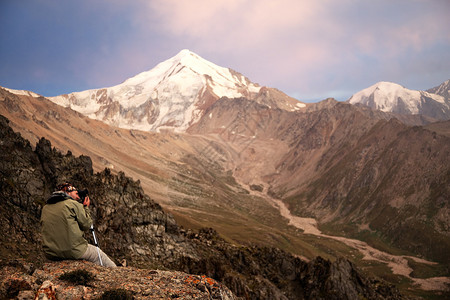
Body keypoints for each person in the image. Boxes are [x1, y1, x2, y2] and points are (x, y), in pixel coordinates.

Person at [41, 182, 116, 267]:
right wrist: (85, 207)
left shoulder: (46, 207)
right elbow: (87, 224)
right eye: (76, 192)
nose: (78, 196)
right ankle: (117, 272)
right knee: (98, 254)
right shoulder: (72, 204)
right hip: (73, 250)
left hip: (51, 253)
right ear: (68, 191)